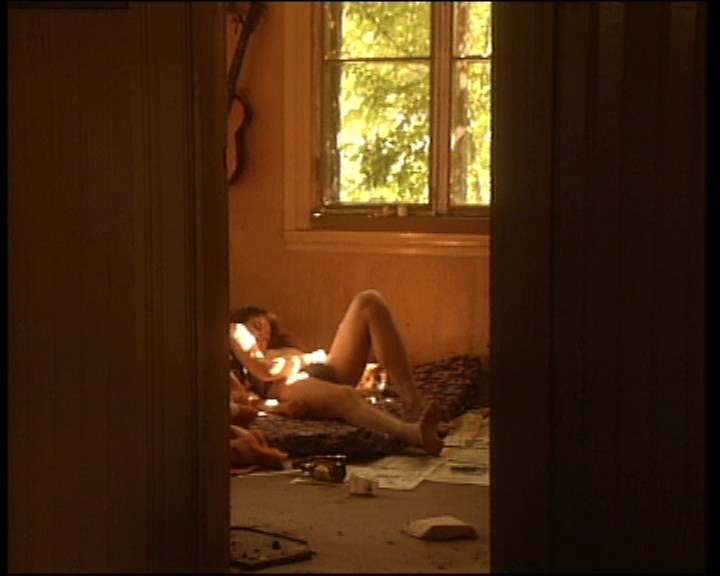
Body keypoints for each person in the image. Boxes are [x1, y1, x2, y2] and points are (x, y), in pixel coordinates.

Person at [229, 289, 444, 456]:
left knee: (369, 301)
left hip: (323, 370)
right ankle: (412, 434)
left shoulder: (278, 348)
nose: (262, 335)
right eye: (257, 326)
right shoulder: (237, 331)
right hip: (286, 384)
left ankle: (413, 403)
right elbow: (266, 371)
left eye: (267, 332)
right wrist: (307, 358)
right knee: (344, 395)